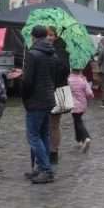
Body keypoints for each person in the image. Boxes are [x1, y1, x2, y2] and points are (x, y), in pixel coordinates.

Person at [22, 25, 61, 184]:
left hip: (35, 100)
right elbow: (54, 78)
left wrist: (25, 96)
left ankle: (46, 170)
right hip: (48, 98)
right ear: (45, 36)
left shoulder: (32, 54)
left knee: (33, 136)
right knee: (44, 134)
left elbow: (28, 81)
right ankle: (41, 167)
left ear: (33, 37)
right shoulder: (53, 54)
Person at [47, 29, 71, 164]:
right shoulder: (44, 51)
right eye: (46, 35)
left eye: (51, 35)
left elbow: (65, 71)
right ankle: (49, 150)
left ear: (56, 36)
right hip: (51, 90)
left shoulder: (62, 52)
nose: (48, 37)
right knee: (48, 124)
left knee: (54, 124)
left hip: (59, 90)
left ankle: (54, 151)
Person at [68, 67, 93, 151]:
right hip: (82, 104)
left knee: (78, 121)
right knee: (77, 120)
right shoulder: (83, 80)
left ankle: (86, 137)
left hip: (72, 104)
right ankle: (79, 140)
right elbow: (89, 93)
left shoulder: (68, 80)